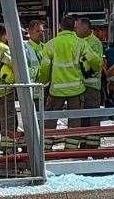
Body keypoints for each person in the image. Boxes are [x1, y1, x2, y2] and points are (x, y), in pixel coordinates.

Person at [38, 15, 87, 134]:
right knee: (75, 120)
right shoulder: (81, 43)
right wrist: (87, 79)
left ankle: (47, 146)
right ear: (74, 27)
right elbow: (88, 65)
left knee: (51, 118)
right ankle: (72, 147)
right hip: (76, 89)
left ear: (60, 26)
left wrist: (44, 83)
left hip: (56, 90)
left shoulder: (50, 44)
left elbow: (45, 67)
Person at [75, 16, 106, 147]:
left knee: (92, 115)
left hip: (91, 86)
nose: (75, 29)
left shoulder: (94, 43)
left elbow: (94, 66)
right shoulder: (79, 41)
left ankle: (93, 144)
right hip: (81, 86)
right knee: (83, 117)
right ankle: (83, 142)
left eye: (78, 27)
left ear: (85, 27)